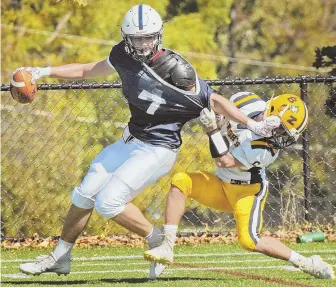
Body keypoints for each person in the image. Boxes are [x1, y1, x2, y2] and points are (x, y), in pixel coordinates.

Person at [14, 5, 280, 279]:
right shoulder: (122, 54)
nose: (142, 44)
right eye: (136, 38)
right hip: (130, 139)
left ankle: (157, 240)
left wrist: (252, 124)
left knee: (108, 203)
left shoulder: (177, 70)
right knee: (85, 193)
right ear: (126, 37)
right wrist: (42, 71)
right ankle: (60, 256)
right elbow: (85, 70)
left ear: (158, 35)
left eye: (147, 38)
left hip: (158, 148)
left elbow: (214, 100)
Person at [144, 92, 335, 280]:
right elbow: (216, 102)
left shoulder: (266, 149)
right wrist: (213, 116)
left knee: (249, 241)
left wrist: (212, 130)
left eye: (285, 133)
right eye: (280, 129)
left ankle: (306, 262)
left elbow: (224, 161)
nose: (281, 136)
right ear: (269, 112)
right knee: (180, 181)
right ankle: (166, 246)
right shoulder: (246, 101)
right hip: (221, 184)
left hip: (247, 192)